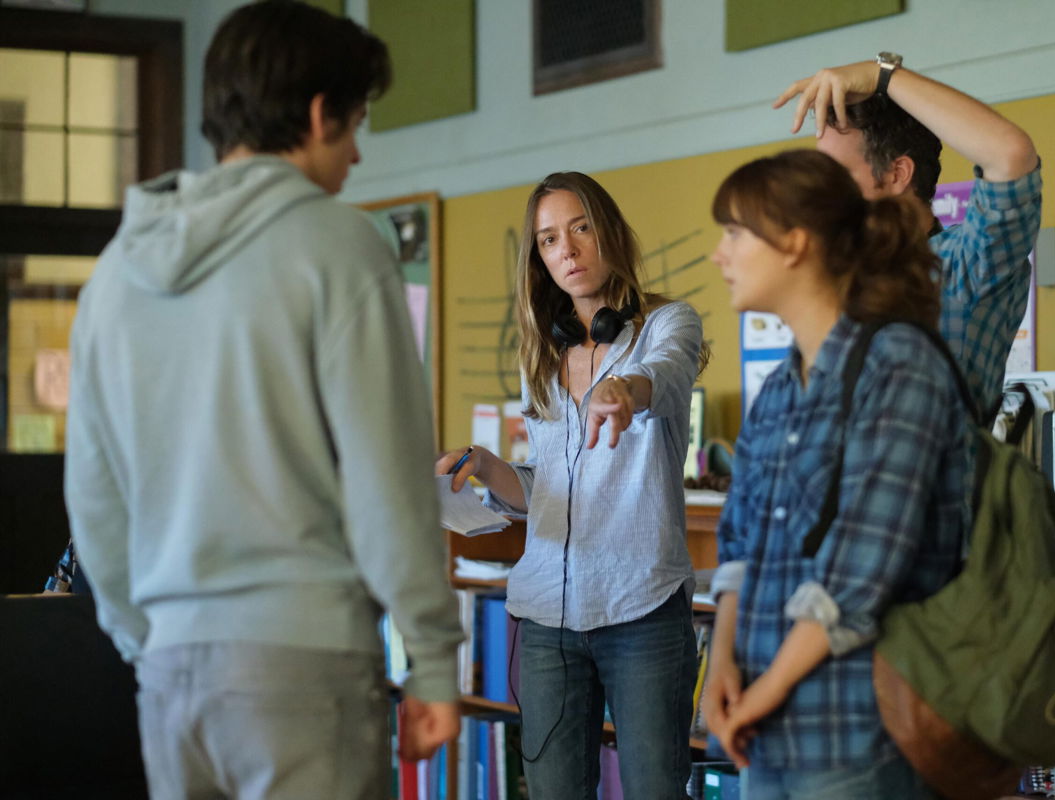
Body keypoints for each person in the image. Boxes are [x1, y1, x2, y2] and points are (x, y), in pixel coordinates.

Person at [64, 2, 462, 797]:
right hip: (304, 670)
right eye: (353, 127)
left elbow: (94, 501)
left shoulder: (114, 275)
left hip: (170, 680)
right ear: (318, 116)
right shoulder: (341, 248)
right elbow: (387, 485)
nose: (354, 155)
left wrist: (152, 643)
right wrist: (433, 661)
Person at [702, 149, 972, 799]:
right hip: (769, 731)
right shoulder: (777, 388)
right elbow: (740, 544)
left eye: (735, 233)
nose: (719, 254)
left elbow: (860, 572)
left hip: (862, 734)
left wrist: (762, 692)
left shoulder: (898, 362)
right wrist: (721, 671)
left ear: (794, 243)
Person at [437, 171, 707, 799]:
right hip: (546, 621)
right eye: (550, 239)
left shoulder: (668, 325)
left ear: (608, 232)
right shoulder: (540, 358)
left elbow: (663, 376)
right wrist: (484, 465)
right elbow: (545, 487)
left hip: (642, 609)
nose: (568, 250)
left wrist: (623, 389)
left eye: (581, 228)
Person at [774, 56, 1042, 417]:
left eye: (837, 175)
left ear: (898, 174)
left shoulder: (962, 265)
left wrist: (881, 75)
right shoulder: (839, 279)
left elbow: (1010, 157)